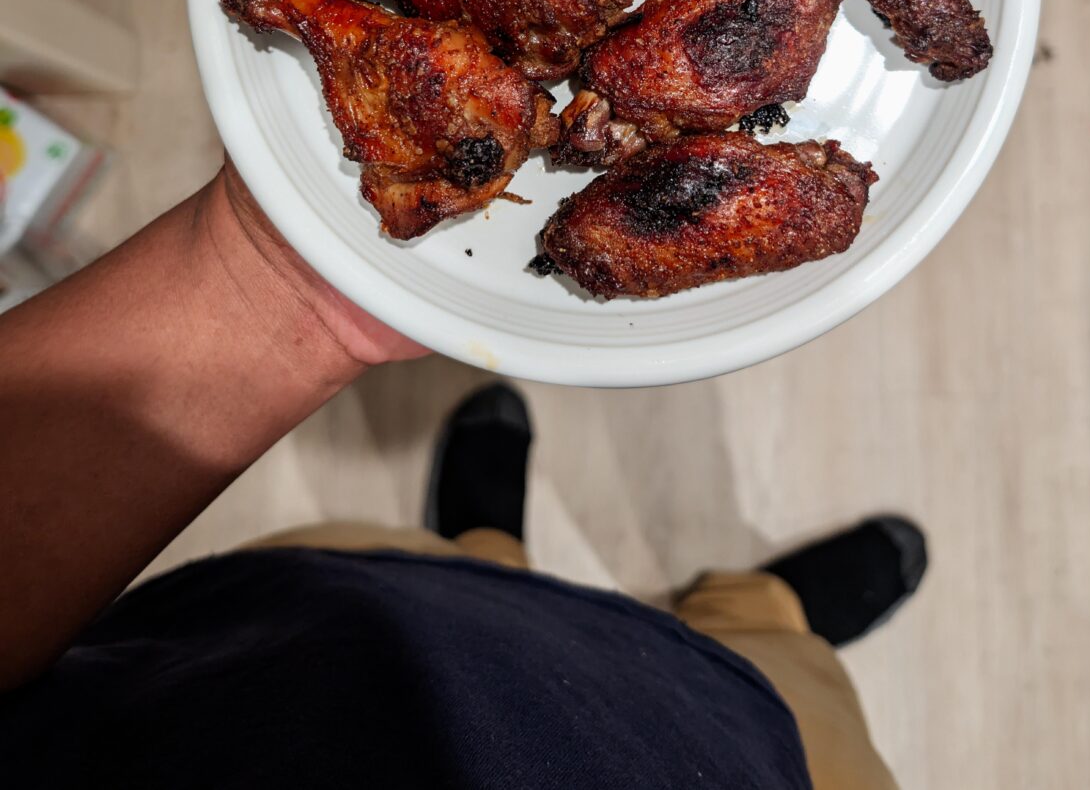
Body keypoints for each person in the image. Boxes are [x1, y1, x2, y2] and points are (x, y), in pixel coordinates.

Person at [0, 161, 925, 787]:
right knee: (788, 685)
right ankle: (761, 614)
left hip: (305, 647)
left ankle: (481, 543)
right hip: (734, 753)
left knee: (427, 575)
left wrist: (266, 285)